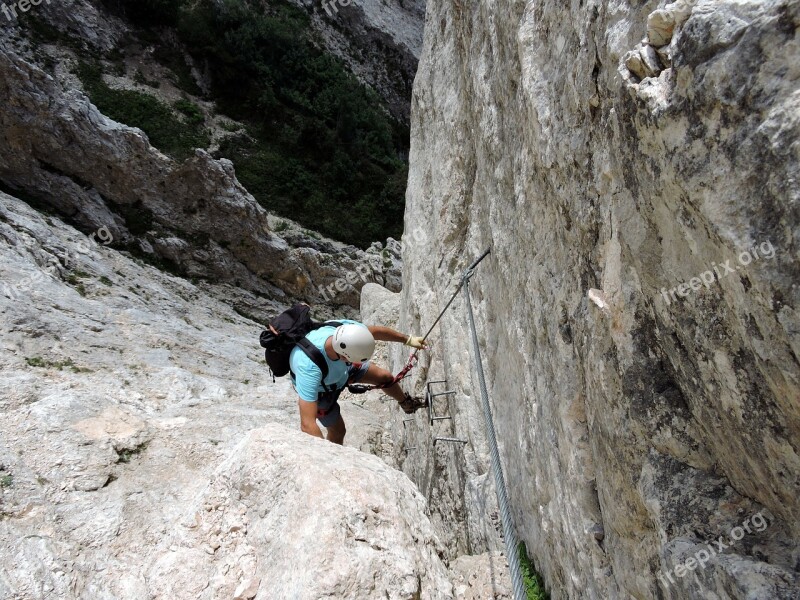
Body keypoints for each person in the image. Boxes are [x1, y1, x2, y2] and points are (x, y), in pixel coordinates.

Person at [290, 320, 427, 444]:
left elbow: (375, 332)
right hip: (322, 392)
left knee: (385, 377)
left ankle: (407, 404)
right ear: (345, 357)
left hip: (341, 371)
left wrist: (408, 339)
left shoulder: (347, 331)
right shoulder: (308, 369)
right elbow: (307, 424)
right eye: (353, 361)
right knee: (338, 432)